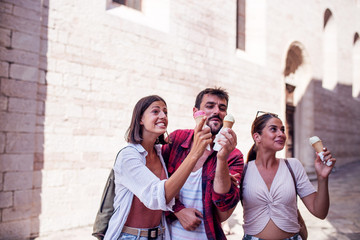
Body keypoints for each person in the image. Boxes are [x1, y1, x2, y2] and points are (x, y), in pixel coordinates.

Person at [104, 95, 212, 240]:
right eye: (156, 111)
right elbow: (158, 196)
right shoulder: (128, 156)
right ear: (140, 119)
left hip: (160, 234)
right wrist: (194, 154)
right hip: (130, 236)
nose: (163, 116)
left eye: (165, 112)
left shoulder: (161, 152)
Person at [162, 87, 244, 240]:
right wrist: (177, 210)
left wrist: (221, 158)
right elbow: (155, 184)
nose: (216, 111)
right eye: (210, 106)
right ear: (196, 112)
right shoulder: (177, 139)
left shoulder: (234, 155)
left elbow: (223, 207)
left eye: (222, 108)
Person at [242, 111, 336, 240]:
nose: (281, 134)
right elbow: (223, 212)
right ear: (257, 137)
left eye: (282, 130)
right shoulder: (244, 170)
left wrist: (322, 178)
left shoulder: (293, 165)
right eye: (273, 129)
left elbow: (320, 212)